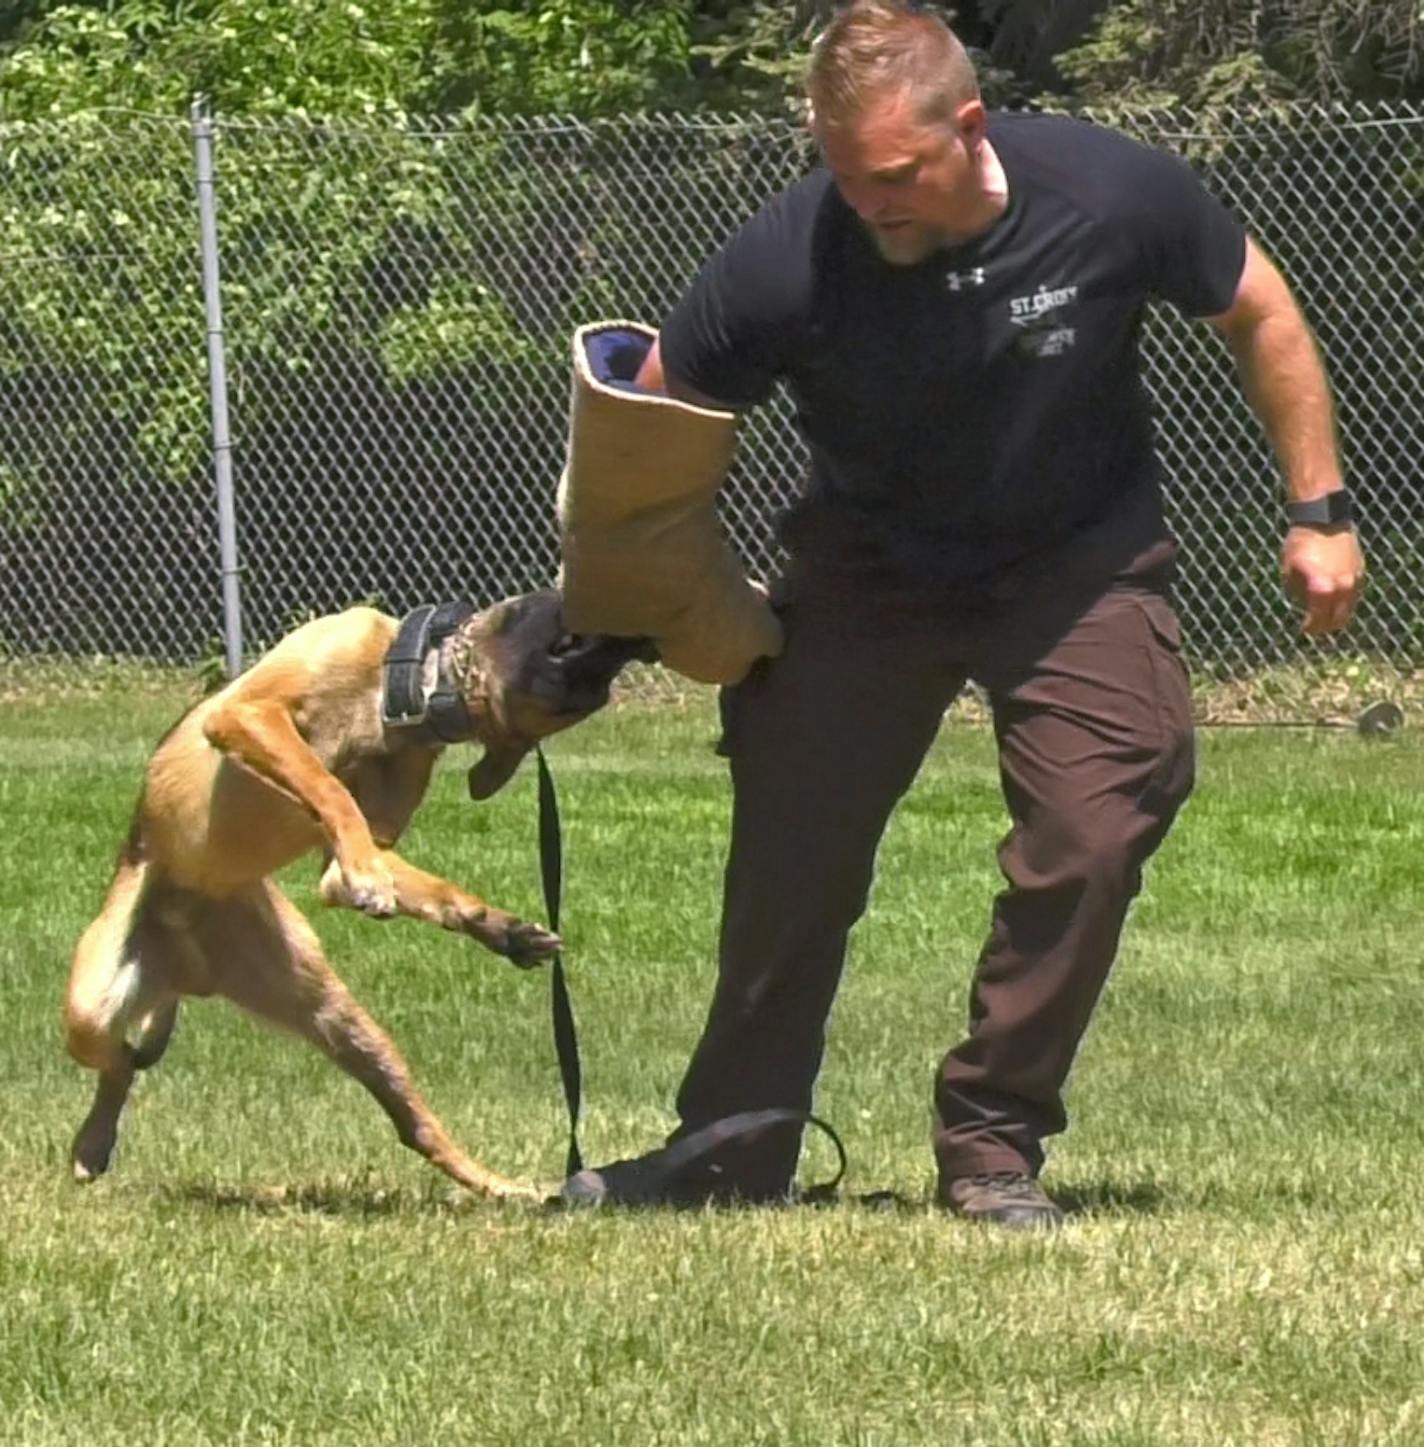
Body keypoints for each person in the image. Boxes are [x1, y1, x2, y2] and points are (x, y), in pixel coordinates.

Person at [566, 0, 1365, 1228]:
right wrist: (630, 611)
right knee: (792, 860)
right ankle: (732, 1144)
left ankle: (991, 1141)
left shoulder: (1102, 192)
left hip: (1074, 565)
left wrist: (1315, 507)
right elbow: (650, 437)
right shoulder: (793, 253)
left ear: (967, 128)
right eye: (841, 174)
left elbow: (1257, 309)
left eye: (890, 175)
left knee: (1096, 830)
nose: (866, 202)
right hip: (864, 575)